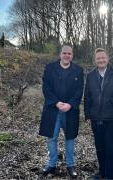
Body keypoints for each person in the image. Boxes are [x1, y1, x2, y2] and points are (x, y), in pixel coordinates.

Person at [39, 45, 84, 178]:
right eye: (64, 53)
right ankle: (52, 164)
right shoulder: (50, 68)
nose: (66, 56)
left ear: (72, 55)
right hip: (53, 109)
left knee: (70, 138)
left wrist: (70, 104)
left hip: (70, 110)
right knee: (51, 138)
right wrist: (57, 103)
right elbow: (46, 88)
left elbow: (79, 90)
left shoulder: (78, 70)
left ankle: (70, 165)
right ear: (60, 54)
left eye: (69, 54)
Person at [84, 48, 113, 180]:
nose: (101, 60)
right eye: (98, 58)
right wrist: (87, 115)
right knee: (100, 147)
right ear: (95, 60)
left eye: (103, 58)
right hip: (96, 118)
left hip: (112, 118)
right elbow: (87, 97)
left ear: (108, 59)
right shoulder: (90, 75)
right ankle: (102, 172)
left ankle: (111, 175)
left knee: (111, 148)